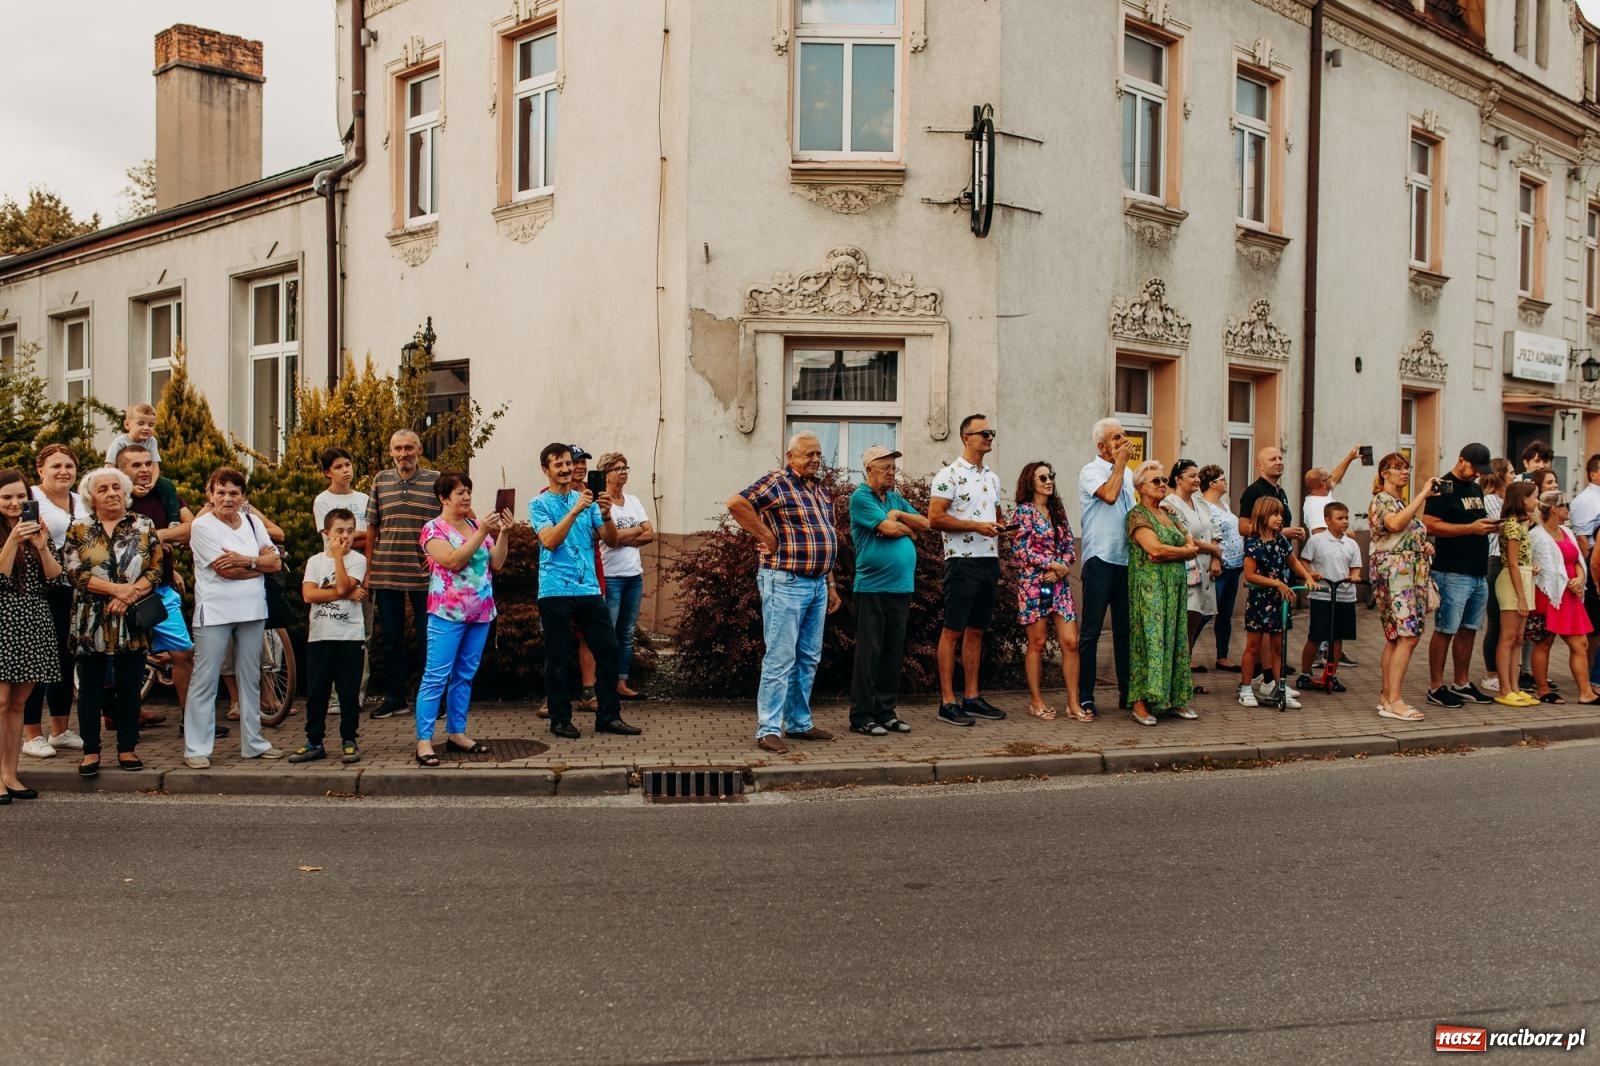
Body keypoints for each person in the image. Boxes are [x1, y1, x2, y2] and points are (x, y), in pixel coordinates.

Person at [727, 433, 839, 753]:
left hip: (817, 584)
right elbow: (737, 503)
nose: (816, 459)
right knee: (780, 658)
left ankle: (800, 723)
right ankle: (768, 728)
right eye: (808, 455)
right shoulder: (778, 483)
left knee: (808, 657)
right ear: (791, 457)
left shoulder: (819, 491)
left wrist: (830, 584)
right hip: (785, 581)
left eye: (819, 454)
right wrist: (766, 534)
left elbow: (824, 538)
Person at [533, 443, 641, 741]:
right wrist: (574, 510)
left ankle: (608, 716)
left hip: (589, 588)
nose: (567, 469)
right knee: (558, 656)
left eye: (569, 463)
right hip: (555, 590)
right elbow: (550, 541)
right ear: (547, 470)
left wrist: (605, 515)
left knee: (608, 648)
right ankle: (560, 719)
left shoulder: (590, 502)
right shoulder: (539, 505)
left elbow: (612, 538)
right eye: (559, 465)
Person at [62, 467, 165, 776]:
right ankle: (91, 751)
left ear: (125, 491)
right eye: (103, 488)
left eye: (116, 487)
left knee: (129, 686)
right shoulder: (78, 528)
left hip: (130, 619)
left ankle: (127, 747)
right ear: (92, 497)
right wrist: (115, 590)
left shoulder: (143, 524)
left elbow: (156, 569)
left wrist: (128, 595)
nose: (111, 492)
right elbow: (74, 573)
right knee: (90, 687)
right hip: (90, 619)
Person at [182, 468, 285, 768]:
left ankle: (253, 743)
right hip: (215, 612)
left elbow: (275, 562)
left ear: (243, 497)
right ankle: (196, 748)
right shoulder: (202, 527)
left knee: (251, 677)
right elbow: (224, 570)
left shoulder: (253, 522)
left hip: (253, 610)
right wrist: (259, 564)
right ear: (210, 494)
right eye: (221, 492)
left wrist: (246, 559)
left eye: (234, 493)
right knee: (205, 678)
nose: (227, 498)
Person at [414, 474, 512, 766]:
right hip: (447, 613)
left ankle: (457, 732)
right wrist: (482, 531)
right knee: (436, 676)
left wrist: (503, 532)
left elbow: (496, 562)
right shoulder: (433, 530)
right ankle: (424, 739)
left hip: (480, 612)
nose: (466, 497)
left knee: (465, 675)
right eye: (459, 493)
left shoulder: (473, 526)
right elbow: (453, 560)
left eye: (468, 491)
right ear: (444, 498)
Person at [928, 414, 1009, 726]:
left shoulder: (992, 476)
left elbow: (997, 516)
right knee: (953, 630)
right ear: (966, 438)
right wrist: (976, 525)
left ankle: (972, 697)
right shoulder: (948, 475)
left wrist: (1004, 529)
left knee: (977, 630)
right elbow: (935, 518)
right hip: (961, 560)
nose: (989, 437)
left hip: (989, 559)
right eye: (984, 433)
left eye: (991, 431)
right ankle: (947, 701)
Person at [849, 445, 928, 735]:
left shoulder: (895, 499)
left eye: (893, 468)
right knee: (869, 654)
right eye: (885, 468)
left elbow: (927, 522)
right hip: (871, 587)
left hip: (900, 587)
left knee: (893, 654)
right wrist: (904, 527)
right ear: (869, 470)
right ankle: (861, 716)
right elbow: (890, 529)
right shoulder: (860, 498)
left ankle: (886, 712)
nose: (891, 473)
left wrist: (898, 515)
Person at [117, 444, 194, 728]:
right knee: (122, 658)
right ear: (121, 471)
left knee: (183, 653)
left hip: (160, 591)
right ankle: (119, 717)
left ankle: (190, 718)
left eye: (148, 464)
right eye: (136, 465)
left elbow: (191, 526)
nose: (145, 470)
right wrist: (152, 542)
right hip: (124, 594)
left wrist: (157, 534)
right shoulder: (117, 499)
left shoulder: (164, 493)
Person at [367, 429, 440, 719]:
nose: (403, 454)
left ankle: (431, 698)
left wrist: (439, 554)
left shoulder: (435, 480)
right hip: (386, 572)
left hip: (426, 575)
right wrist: (369, 570)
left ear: (419, 450)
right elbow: (372, 526)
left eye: (409, 447)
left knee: (428, 637)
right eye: (398, 448)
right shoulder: (380, 481)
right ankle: (395, 698)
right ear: (390, 450)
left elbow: (451, 519)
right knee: (391, 639)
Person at [288, 508, 370, 765]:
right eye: (339, 531)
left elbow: (346, 584)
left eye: (349, 531)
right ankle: (314, 741)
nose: (345, 536)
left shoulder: (357, 560)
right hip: (320, 637)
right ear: (326, 533)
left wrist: (338, 559)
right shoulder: (314, 562)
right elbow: (309, 595)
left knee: (348, 692)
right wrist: (345, 593)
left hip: (349, 637)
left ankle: (349, 739)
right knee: (317, 692)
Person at [0, 469, 63, 801]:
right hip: (3, 619)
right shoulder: (5, 533)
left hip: (34, 618)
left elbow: (54, 578)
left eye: (20, 497)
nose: (14, 503)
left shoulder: (40, 529)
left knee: (19, 703)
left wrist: (41, 546)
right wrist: (12, 540)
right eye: (7, 497)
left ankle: (10, 774)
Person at [1009, 460, 1089, 722]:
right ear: (1030, 482)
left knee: (1071, 642)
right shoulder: (1023, 512)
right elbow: (1020, 550)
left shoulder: (1057, 510)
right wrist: (1048, 564)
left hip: (1058, 584)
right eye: (1042, 478)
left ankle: (1073, 704)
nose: (1048, 481)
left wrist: (1062, 566)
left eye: (1050, 476)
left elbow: (1068, 544)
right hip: (1033, 585)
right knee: (1038, 642)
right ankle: (1036, 701)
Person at [21, 444, 85, 759]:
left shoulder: (82, 499)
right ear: (40, 470)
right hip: (40, 588)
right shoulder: (30, 498)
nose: (63, 472)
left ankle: (59, 730)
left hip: (73, 590)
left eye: (69, 466)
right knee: (38, 660)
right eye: (56, 466)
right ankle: (31, 733)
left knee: (65, 657)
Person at [1422, 443, 1498, 709]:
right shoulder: (1443, 486)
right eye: (1474, 468)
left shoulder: (1475, 488)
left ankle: (1462, 683)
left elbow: (1475, 521)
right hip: (1452, 571)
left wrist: (1488, 527)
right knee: (1446, 630)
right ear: (1461, 460)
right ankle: (1435, 687)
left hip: (1477, 571)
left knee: (1469, 630)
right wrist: (1470, 529)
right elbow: (1430, 524)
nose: (1477, 474)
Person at [1125, 461, 1200, 725]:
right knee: (1150, 641)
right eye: (1155, 481)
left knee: (1176, 639)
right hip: (1150, 586)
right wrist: (1182, 552)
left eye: (1163, 480)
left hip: (1175, 585)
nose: (1161, 485)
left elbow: (1190, 540)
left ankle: (1172, 700)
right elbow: (1155, 549)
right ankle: (1141, 703)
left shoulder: (1170, 512)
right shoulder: (1137, 515)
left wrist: (1180, 552)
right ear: (1140, 487)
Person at [1075, 417, 1137, 716]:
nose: (1123, 442)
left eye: (1124, 436)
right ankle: (1085, 695)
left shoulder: (1126, 473)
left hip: (1126, 560)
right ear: (1102, 446)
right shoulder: (1091, 471)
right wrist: (1121, 465)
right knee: (1092, 631)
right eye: (1116, 438)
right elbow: (1109, 497)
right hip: (1100, 559)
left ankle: (1127, 693)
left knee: (1125, 631)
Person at [1368, 453, 1437, 721]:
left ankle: (1387, 696)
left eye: (1406, 467)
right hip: (1397, 576)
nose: (1403, 472)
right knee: (1407, 636)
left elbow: (1405, 530)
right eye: (1397, 468)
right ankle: (1395, 699)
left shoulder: (1398, 501)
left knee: (1396, 637)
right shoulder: (1382, 500)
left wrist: (1423, 544)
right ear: (1384, 472)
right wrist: (1422, 495)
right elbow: (1394, 523)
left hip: (1406, 573)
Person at [1238, 497, 1316, 710]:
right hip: (1259, 600)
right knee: (1253, 646)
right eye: (1275, 514)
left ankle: (1278, 686)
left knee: (1278, 647)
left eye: (1280, 514)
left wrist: (1307, 577)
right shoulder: (1253, 543)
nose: (1279, 519)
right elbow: (1250, 575)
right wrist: (1277, 583)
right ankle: (1245, 687)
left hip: (1279, 601)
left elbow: (1293, 562)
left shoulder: (1281, 541)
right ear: (1263, 516)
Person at [1526, 491, 1600, 705]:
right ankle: (1542, 689)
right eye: (1565, 505)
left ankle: (1585, 692)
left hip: (1571, 594)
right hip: (1549, 594)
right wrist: (1564, 581)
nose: (1570, 508)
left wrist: (1580, 577)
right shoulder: (1536, 535)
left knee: (1581, 643)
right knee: (1544, 642)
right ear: (1555, 510)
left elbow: (1578, 559)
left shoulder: (1567, 531)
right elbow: (1540, 566)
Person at [596, 451, 653, 700]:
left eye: (625, 467)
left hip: (633, 576)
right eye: (618, 468)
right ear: (606, 473)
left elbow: (649, 534)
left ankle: (621, 682)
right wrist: (631, 533)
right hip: (612, 575)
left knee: (627, 632)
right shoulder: (601, 504)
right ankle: (602, 683)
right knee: (607, 632)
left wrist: (622, 536)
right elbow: (610, 538)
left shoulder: (633, 501)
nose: (623, 472)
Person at [1160, 458, 1223, 678]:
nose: (1197, 480)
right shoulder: (1169, 504)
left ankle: (1183, 675)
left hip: (1206, 570)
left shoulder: (1201, 501)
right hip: (1187, 570)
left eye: (1198, 475)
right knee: (1182, 625)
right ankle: (1176, 676)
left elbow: (1215, 530)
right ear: (1178, 479)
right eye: (1191, 476)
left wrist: (1216, 558)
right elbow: (1184, 538)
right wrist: (1213, 551)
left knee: (1194, 625)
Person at [1295, 503, 1363, 693]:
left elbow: (1355, 566)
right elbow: (1304, 562)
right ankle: (1305, 674)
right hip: (1322, 595)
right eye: (1340, 518)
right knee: (1316, 636)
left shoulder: (1351, 543)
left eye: (1346, 518)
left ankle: (1330, 674)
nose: (1345, 522)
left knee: (1337, 637)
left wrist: (1355, 575)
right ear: (1327, 520)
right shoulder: (1316, 540)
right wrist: (1312, 574)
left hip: (1344, 596)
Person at [1491, 481, 1539, 707]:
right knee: (1508, 637)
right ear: (1523, 500)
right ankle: (1505, 688)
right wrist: (1521, 595)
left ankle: (1515, 686)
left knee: (1519, 638)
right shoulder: (1511, 524)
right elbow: (1511, 562)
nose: (1536, 501)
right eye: (1534, 497)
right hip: (1513, 581)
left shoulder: (1522, 524)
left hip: (1524, 577)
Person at [1199, 465, 1244, 673]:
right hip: (1220, 566)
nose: (1226, 483)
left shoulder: (1224, 504)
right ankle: (1185, 653)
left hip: (1235, 565)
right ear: (1212, 483)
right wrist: (1215, 559)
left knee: (1225, 614)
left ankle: (1222, 656)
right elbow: (1210, 535)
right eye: (1222, 479)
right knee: (1205, 612)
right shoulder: (1204, 506)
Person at [1478, 463, 1511, 691]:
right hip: (1494, 560)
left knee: (1505, 622)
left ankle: (1504, 670)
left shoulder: (1503, 501)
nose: (1514, 475)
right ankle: (1491, 673)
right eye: (1510, 472)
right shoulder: (1490, 500)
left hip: (1505, 561)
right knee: (1496, 621)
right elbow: (1502, 527)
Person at [1237, 446, 1305, 540]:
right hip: (1262, 553)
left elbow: (1284, 524)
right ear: (1261, 466)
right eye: (1273, 459)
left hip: (1282, 552)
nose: (1279, 462)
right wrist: (1282, 532)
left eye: (1280, 458)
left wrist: (1296, 532)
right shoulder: (1253, 491)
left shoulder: (1280, 491)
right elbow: (1243, 528)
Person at [1300, 445, 1362, 536]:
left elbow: (1335, 477)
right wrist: (1345, 533)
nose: (1332, 478)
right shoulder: (1315, 505)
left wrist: (1350, 457)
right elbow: (1318, 533)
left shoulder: (1323, 494)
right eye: (1329, 477)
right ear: (1323, 484)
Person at [104, 402, 162, 471]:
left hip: (144, 476)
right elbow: (109, 467)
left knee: (164, 482)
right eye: (141, 423)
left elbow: (155, 466)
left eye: (151, 425)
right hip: (124, 478)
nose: (146, 428)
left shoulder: (151, 441)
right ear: (127, 425)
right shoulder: (119, 443)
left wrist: (152, 482)